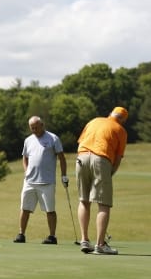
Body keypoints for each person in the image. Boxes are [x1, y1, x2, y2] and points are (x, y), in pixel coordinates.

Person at [75, 107, 128, 254]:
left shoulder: (94, 121)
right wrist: (109, 174)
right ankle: (100, 245)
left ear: (110, 113)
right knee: (104, 203)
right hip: (101, 158)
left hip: (81, 157)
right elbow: (117, 159)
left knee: (84, 200)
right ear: (123, 120)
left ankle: (84, 240)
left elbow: (81, 141)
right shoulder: (121, 130)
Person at [13, 116, 68, 244]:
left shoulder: (53, 138)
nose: (34, 130)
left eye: (36, 127)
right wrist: (26, 171)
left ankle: (52, 236)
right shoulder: (28, 140)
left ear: (42, 125)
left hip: (47, 181)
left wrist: (64, 175)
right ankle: (21, 234)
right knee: (25, 208)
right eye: (32, 128)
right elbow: (25, 157)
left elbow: (62, 158)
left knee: (50, 210)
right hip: (30, 181)